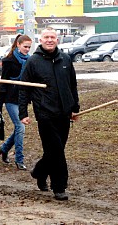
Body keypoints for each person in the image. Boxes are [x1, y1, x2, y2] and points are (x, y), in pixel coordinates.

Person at [19, 27, 80, 201]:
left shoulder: (66, 59)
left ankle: (39, 172)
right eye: (46, 37)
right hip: (44, 113)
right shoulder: (33, 62)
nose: (50, 40)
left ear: (57, 40)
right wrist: (23, 112)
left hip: (64, 113)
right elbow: (24, 89)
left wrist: (75, 107)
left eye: (52, 37)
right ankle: (59, 187)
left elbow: (72, 85)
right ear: (40, 40)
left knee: (54, 150)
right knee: (57, 151)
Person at [0, 34, 32, 170]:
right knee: (20, 127)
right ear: (18, 44)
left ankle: (4, 149)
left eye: (29, 47)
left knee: (19, 128)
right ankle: (19, 159)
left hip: (23, 100)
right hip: (10, 99)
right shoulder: (9, 61)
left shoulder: (30, 60)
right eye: (25, 46)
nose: (27, 49)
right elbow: (3, 84)